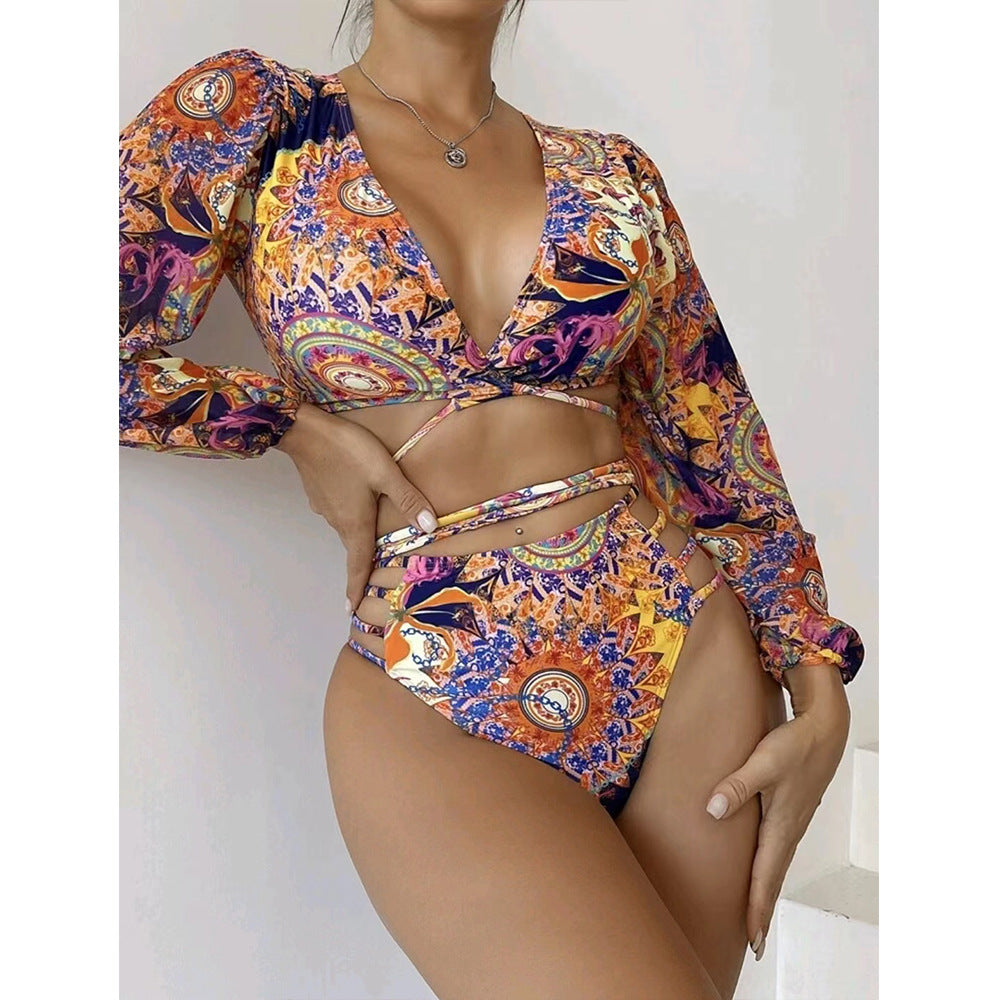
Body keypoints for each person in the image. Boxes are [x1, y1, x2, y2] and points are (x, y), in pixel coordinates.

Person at [119, 2, 864, 997]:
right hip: (436, 674)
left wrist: (819, 684)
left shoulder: (616, 175)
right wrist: (289, 427)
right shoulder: (254, 118)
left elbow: (714, 440)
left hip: (691, 659)